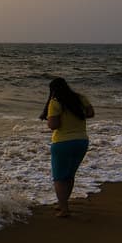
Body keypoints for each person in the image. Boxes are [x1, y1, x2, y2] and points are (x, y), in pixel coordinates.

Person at [39, 78, 95, 218]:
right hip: (81, 141)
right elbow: (90, 113)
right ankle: (63, 203)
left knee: (59, 177)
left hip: (63, 142)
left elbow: (54, 125)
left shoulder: (56, 102)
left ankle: (64, 209)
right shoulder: (80, 98)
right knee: (69, 175)